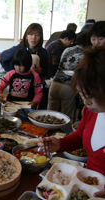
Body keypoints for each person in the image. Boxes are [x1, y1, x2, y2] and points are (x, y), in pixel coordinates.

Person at [38, 47, 105, 198]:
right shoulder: (91, 111)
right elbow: (80, 137)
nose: (86, 102)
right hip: (86, 185)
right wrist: (60, 144)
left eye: (91, 96)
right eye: (82, 94)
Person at [48, 31, 89, 119]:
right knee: (65, 117)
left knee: (50, 114)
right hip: (68, 86)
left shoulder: (67, 49)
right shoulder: (86, 54)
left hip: (55, 83)